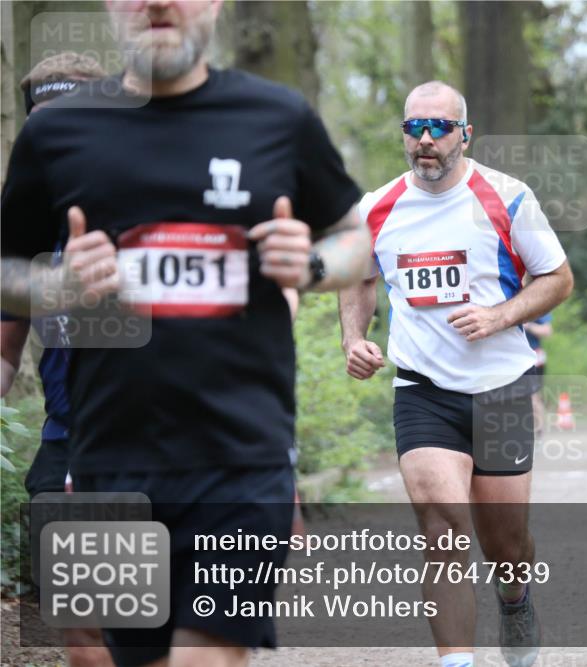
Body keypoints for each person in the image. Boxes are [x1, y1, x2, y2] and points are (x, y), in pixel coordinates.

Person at [1, 2, 370, 666]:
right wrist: (58, 286)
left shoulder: (277, 118)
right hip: (109, 461)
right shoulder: (57, 130)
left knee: (205, 656)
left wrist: (311, 263)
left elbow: (355, 240)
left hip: (240, 460)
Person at [340, 80, 573, 667]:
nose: (425, 139)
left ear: (464, 134)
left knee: (506, 544)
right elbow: (359, 276)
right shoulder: (377, 207)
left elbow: (557, 279)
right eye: (413, 128)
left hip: (502, 388)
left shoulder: (507, 197)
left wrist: (500, 315)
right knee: (443, 530)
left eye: (439, 128)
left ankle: (515, 600)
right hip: (423, 388)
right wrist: (353, 338)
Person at [0, 51, 115, 667]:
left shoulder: (150, 206)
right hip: (65, 442)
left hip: (156, 440)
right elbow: (5, 353)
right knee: (79, 624)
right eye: (42, 119)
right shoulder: (23, 228)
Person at [523, 313, 553, 439]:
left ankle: (538, 429)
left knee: (533, 395)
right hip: (514, 359)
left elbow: (547, 331)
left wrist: (528, 326)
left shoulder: (536, 304)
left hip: (535, 357)